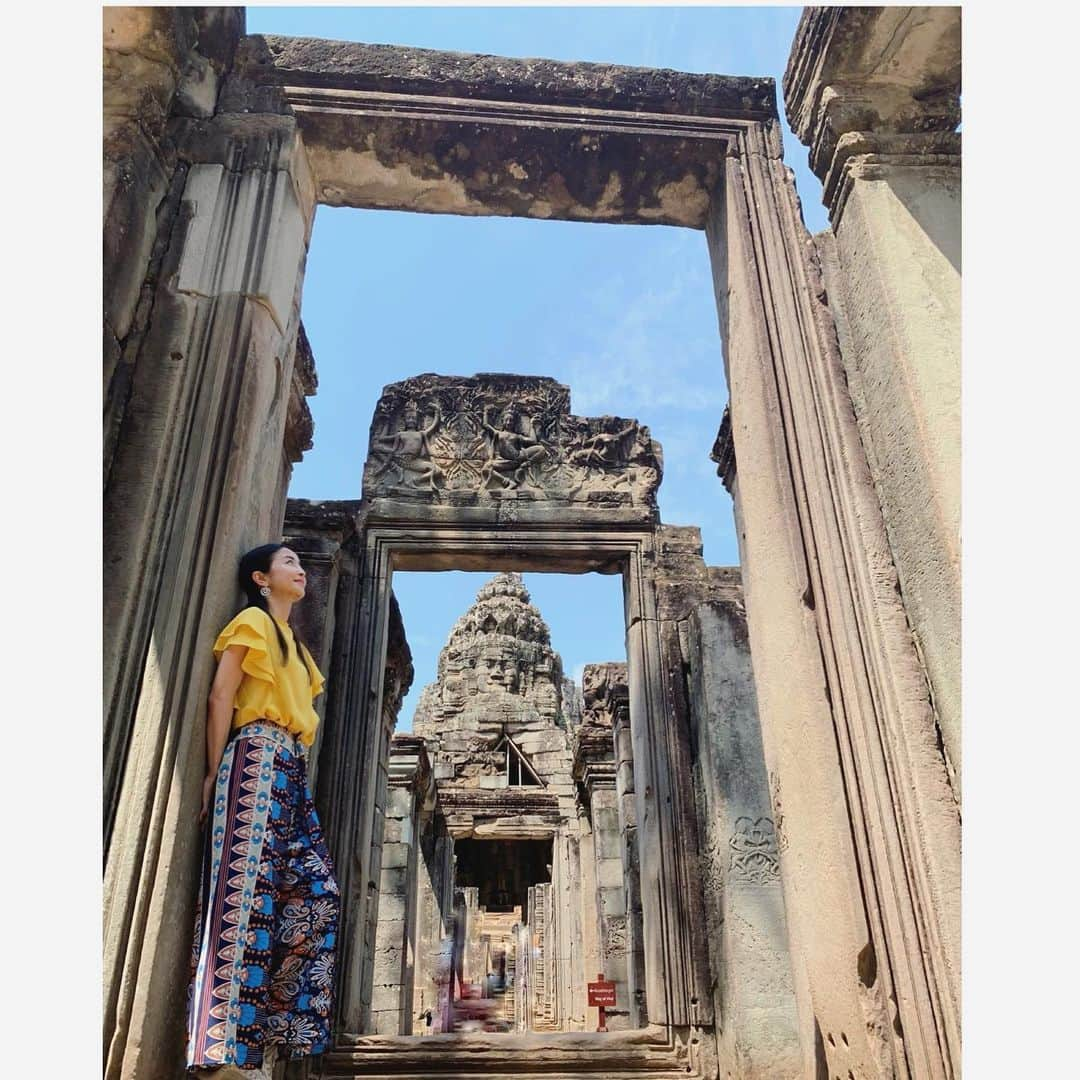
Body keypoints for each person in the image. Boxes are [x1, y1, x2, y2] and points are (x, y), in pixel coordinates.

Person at [186, 544, 339, 1079]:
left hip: (292, 769)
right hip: (253, 756)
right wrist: (212, 771)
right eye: (289, 563)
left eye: (301, 563)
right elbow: (220, 695)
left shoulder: (296, 648)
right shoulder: (252, 619)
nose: (300, 571)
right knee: (243, 897)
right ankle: (220, 1054)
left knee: (317, 895)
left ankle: (268, 1035)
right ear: (261, 578)